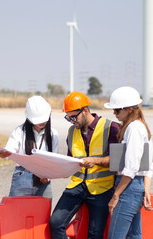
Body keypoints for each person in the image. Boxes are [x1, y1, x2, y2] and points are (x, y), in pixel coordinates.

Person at [49, 91, 120, 239]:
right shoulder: (72, 131)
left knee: (95, 233)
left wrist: (94, 160)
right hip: (77, 186)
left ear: (85, 110)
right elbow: (70, 159)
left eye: (73, 117)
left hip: (102, 187)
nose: (71, 121)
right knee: (55, 223)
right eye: (68, 118)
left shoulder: (111, 128)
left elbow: (118, 161)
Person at [104, 86, 153, 239]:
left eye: (117, 110)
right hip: (135, 187)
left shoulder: (133, 128)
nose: (114, 113)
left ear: (130, 109)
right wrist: (145, 190)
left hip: (128, 187)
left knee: (115, 236)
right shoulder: (141, 126)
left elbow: (131, 168)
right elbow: (148, 166)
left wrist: (116, 196)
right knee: (133, 236)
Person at [0, 95, 59, 199]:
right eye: (38, 120)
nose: (42, 122)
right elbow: (9, 152)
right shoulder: (20, 131)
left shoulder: (53, 134)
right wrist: (4, 153)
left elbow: (54, 160)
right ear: (29, 118)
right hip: (22, 176)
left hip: (43, 178)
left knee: (42, 213)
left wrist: (49, 176)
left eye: (44, 118)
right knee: (17, 211)